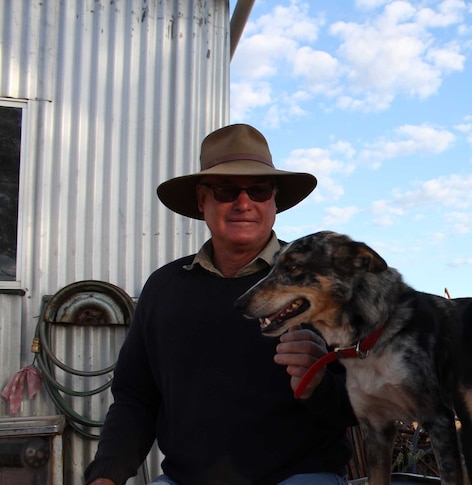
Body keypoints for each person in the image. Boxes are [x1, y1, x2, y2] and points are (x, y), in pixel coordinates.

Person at [85, 124, 357, 485]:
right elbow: (135, 398)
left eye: (259, 190)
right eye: (227, 190)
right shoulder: (164, 288)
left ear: (274, 201)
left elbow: (365, 402)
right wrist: (106, 475)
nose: (243, 203)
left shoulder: (323, 286)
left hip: (298, 477)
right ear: (202, 200)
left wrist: (319, 382)